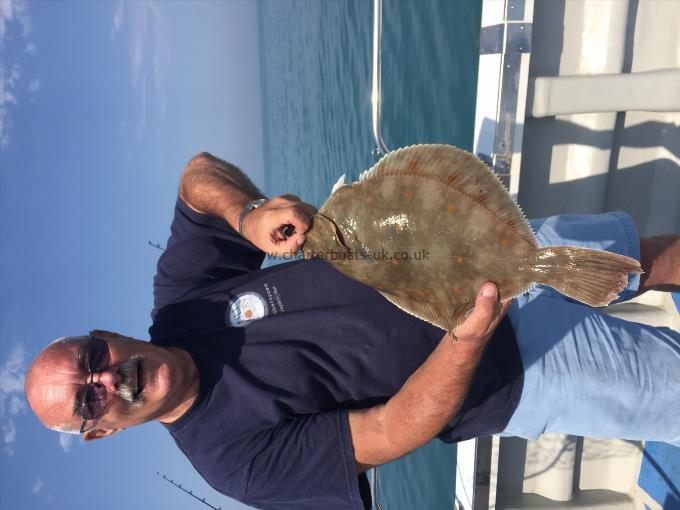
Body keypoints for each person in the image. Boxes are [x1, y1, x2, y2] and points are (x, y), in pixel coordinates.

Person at [25, 153, 680, 509]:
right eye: (89, 397)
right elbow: (390, 430)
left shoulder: (181, 301)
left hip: (483, 250)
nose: (107, 377)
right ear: (101, 428)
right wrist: (467, 339)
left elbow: (198, 179)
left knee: (647, 259)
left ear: (104, 333)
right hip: (523, 371)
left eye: (91, 356)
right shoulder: (232, 460)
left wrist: (247, 215)